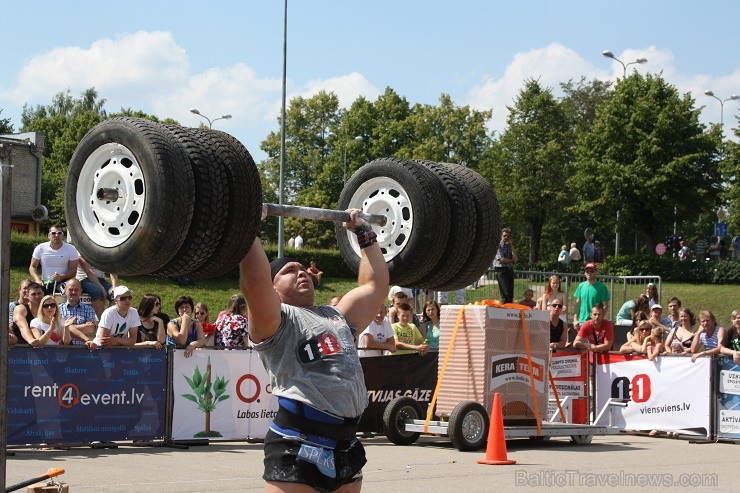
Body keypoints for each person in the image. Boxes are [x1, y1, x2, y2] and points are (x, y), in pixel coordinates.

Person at [238, 208, 388, 492]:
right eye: (288, 270)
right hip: (298, 442)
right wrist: (250, 229)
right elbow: (254, 285)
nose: (301, 272)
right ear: (273, 286)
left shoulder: (336, 315)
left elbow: (375, 285)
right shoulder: (276, 321)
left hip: (346, 443)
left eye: (302, 268)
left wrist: (364, 233)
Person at [29, 225, 80, 295]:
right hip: (44, 282)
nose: (56, 235)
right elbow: (32, 267)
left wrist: (62, 276)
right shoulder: (40, 248)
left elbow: (73, 271)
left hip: (63, 282)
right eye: (53, 233)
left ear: (62, 235)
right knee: (29, 289)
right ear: (49, 235)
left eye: (59, 233)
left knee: (65, 290)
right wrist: (37, 279)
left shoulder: (71, 249)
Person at [59, 278, 98, 347]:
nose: (73, 292)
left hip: (82, 350)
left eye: (76, 290)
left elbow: (90, 329)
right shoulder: (58, 309)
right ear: (65, 290)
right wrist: (83, 327)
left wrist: (66, 328)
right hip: (63, 350)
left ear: (81, 291)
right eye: (70, 289)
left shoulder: (88, 309)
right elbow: (57, 330)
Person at [572, 263, 610, 332]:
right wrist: (575, 319)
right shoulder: (581, 286)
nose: (589, 273)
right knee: (581, 342)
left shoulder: (601, 287)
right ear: (585, 273)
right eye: (587, 271)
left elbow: (605, 305)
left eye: (592, 271)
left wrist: (599, 318)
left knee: (595, 342)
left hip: (596, 323)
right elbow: (577, 304)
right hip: (582, 321)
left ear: (595, 272)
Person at [492, 227, 517, 304]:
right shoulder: (497, 245)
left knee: (510, 294)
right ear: (501, 236)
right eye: (504, 236)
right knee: (505, 293)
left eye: (508, 236)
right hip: (501, 270)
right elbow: (501, 259)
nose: (506, 238)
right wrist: (511, 261)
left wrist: (512, 246)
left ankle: (510, 308)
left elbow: (515, 259)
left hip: (509, 270)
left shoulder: (509, 246)